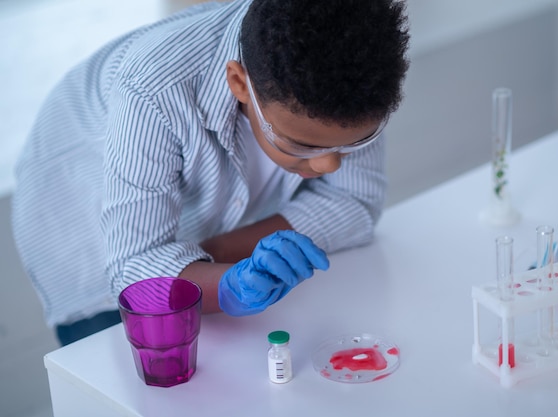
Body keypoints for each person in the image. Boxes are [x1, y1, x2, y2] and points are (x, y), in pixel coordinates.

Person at [12, 0, 410, 346]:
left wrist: (212, 259)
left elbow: (354, 203)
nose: (329, 165)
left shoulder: (352, 72)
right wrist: (227, 284)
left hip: (201, 225)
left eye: (355, 141)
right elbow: (134, 269)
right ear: (239, 82)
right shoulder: (154, 88)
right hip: (80, 237)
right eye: (303, 145)